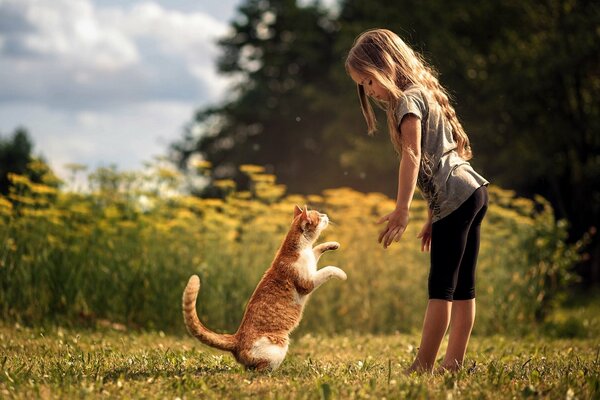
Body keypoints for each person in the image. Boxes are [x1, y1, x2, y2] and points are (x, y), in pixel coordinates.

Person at [345, 28, 489, 373]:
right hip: (472, 191)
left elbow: (412, 155)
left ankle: (423, 365)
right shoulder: (425, 93)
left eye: (367, 81)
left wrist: (402, 209)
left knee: (441, 287)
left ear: (385, 66)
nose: (370, 91)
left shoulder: (408, 100)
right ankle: (452, 364)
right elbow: (438, 161)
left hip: (456, 197)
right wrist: (432, 215)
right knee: (464, 288)